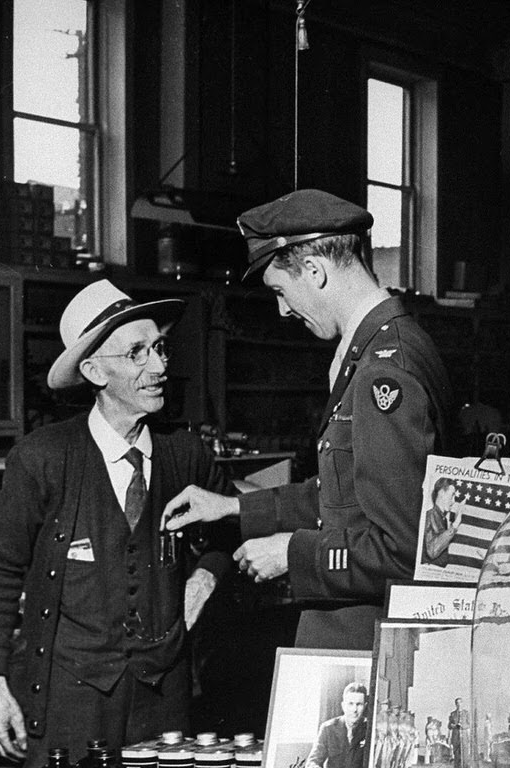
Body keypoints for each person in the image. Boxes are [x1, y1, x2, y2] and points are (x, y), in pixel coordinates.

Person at [162, 189, 453, 650]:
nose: (281, 309)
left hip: (371, 646)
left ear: (314, 271)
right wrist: (235, 507)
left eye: (280, 290)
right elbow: (347, 496)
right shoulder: (379, 347)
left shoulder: (384, 369)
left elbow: (404, 550)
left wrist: (291, 553)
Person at [0, 280, 232, 768]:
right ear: (93, 370)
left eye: (159, 348)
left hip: (164, 699)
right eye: (137, 353)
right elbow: (1, 569)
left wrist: (206, 576)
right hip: (71, 699)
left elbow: (229, 528)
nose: (158, 366)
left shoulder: (186, 455)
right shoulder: (43, 458)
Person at [306, 681, 369, 768]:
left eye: (359, 704)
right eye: (350, 704)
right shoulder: (328, 728)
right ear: (343, 705)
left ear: (365, 706)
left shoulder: (371, 730)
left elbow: (378, 765)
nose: (354, 709)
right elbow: (311, 764)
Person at [421, 478, 461, 566]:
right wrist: (454, 526)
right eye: (452, 495)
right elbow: (432, 551)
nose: (453, 501)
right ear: (442, 492)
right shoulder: (431, 515)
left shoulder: (442, 518)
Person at [447, 697, 468, 768]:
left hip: (464, 738)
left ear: (462, 703)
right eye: (457, 703)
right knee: (456, 758)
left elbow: (470, 724)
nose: (459, 705)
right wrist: (454, 725)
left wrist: (463, 726)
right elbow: (449, 726)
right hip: (456, 738)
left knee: (465, 758)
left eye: (460, 703)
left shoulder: (466, 713)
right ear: (455, 704)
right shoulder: (452, 714)